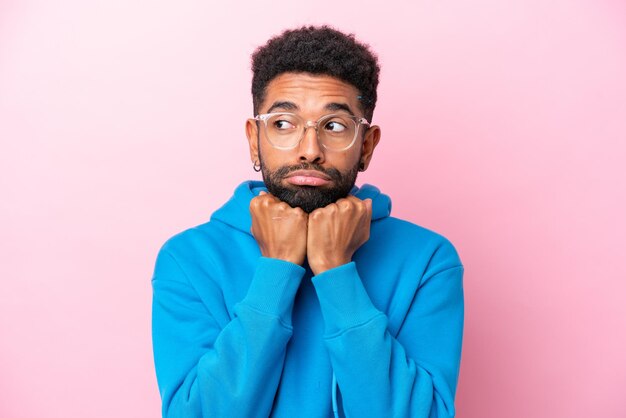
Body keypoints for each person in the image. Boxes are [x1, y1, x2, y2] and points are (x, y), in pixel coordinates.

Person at [151, 25, 464, 418]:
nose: (309, 151)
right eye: (284, 124)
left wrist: (337, 272)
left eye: (334, 126)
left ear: (366, 146)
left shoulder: (428, 260)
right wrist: (276, 270)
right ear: (254, 138)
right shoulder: (189, 258)